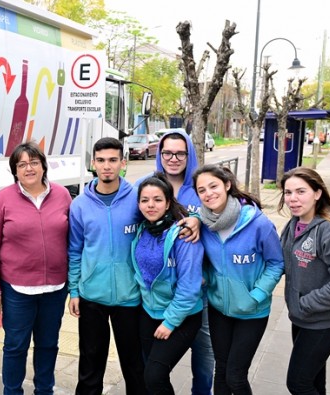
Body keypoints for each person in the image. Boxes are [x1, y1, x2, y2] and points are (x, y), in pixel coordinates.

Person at [0, 142, 72, 395]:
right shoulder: (3, 199)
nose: (28, 168)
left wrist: (74, 287)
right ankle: (12, 391)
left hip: (55, 289)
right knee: (15, 346)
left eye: (33, 162)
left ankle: (45, 390)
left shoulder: (63, 195)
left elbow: (73, 242)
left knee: (48, 345)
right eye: (22, 164)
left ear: (43, 166)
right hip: (17, 290)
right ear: (15, 171)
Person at [193, 164, 284, 395]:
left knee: (235, 375)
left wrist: (257, 296)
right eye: (201, 190)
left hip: (251, 311)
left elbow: (276, 263)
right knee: (221, 371)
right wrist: (205, 279)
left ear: (227, 185)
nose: (208, 193)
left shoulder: (258, 224)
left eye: (213, 186)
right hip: (218, 309)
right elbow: (206, 262)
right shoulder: (203, 224)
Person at [136, 130, 215, 395]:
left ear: (189, 154)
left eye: (180, 153)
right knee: (156, 369)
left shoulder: (200, 187)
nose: (173, 158)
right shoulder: (149, 185)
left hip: (197, 292)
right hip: (157, 297)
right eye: (167, 152)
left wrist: (199, 219)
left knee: (204, 361)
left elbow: (228, 211)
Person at [68, 137, 147, 394]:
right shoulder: (79, 205)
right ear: (93, 164)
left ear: (123, 163)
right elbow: (75, 250)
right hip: (92, 297)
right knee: (90, 368)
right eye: (101, 160)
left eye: (113, 160)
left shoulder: (137, 198)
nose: (107, 166)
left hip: (131, 297)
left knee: (135, 367)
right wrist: (75, 291)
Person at [278, 167, 330, 395]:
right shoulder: (294, 224)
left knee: (298, 383)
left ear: (317, 193)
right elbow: (284, 263)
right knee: (314, 382)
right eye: (288, 192)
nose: (293, 199)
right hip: (302, 318)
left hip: (323, 322)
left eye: (300, 191)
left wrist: (305, 304)